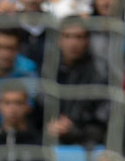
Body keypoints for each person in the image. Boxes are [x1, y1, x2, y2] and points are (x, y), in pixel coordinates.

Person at [44, 17, 109, 148]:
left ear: (88, 40)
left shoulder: (100, 73)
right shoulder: (47, 70)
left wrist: (74, 131)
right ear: (58, 40)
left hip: (86, 145)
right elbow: (38, 111)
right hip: (49, 141)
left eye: (79, 37)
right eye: (67, 36)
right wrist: (50, 126)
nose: (73, 43)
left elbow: (102, 122)